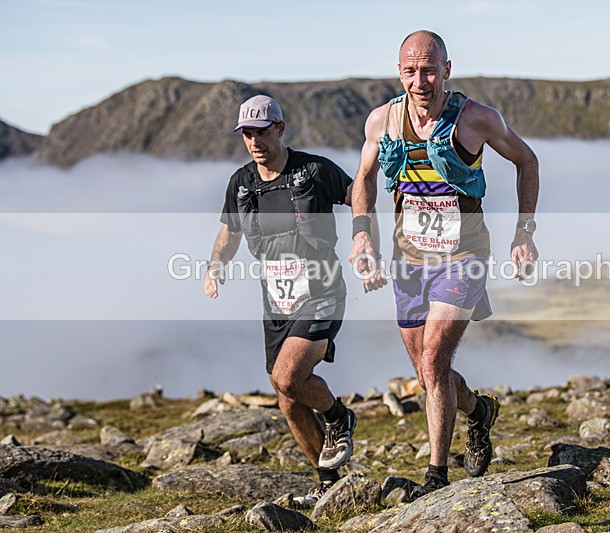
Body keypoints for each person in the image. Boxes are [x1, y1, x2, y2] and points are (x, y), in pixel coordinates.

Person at [348, 30, 540, 498]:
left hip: (464, 258)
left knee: (433, 361)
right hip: (408, 260)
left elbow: (527, 160)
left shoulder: (476, 119)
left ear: (447, 70)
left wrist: (523, 232)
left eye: (429, 70)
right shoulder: (383, 121)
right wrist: (361, 236)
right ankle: (478, 412)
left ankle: (435, 479)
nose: (420, 80)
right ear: (399, 72)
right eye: (410, 71)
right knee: (428, 373)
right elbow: (363, 180)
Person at [204, 95, 361, 507]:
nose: (254, 141)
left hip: (322, 290)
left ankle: (338, 416)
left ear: (280, 128)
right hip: (276, 300)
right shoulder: (241, 184)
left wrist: (366, 238)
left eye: (261, 131)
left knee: (289, 376)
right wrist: (215, 264)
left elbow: (358, 194)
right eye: (247, 134)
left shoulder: (314, 170)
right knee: (288, 401)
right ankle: (328, 482)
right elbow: (230, 233)